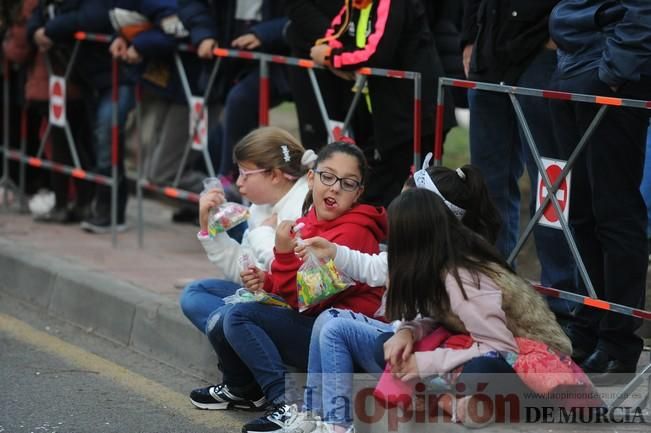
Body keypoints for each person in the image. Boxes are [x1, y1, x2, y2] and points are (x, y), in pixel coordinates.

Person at [290, 188, 572, 431]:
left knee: (480, 371)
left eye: (396, 237)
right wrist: (408, 332)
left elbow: (499, 347)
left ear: (414, 240)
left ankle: (457, 404)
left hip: (532, 368)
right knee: (386, 346)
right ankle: (337, 421)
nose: (392, 247)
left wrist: (426, 363)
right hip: (476, 347)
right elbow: (437, 317)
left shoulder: (463, 278)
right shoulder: (434, 265)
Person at [190, 141, 388, 433]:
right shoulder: (308, 220)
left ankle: (287, 403)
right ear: (312, 178)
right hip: (314, 323)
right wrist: (264, 279)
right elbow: (292, 289)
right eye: (328, 177)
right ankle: (242, 388)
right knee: (214, 303)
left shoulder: (354, 232)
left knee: (238, 316)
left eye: (347, 183)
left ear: (358, 193)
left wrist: (280, 256)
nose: (334, 188)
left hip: (338, 343)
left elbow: (306, 301)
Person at [548, 0, 651, 385]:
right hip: (573, 72)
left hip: (611, 77)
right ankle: (587, 325)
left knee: (615, 213)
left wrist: (612, 72)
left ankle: (618, 343)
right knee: (582, 213)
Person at [461, 0, 576, 326]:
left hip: (541, 51)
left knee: (551, 186)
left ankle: (563, 303)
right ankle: (491, 292)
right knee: (486, 185)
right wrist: (470, 36)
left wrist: (560, 30)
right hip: (489, 49)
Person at [309, 0, 451, 208]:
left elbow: (377, 54)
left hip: (416, 114)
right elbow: (332, 36)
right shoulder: (356, 3)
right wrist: (332, 53)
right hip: (384, 114)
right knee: (374, 193)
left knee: (410, 197)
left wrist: (332, 57)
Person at [180, 126, 313, 336]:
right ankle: (242, 336)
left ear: (275, 175)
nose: (238, 182)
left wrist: (262, 234)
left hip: (295, 311)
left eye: (245, 174)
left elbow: (291, 284)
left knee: (228, 316)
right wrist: (209, 229)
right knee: (195, 295)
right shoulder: (259, 207)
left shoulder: (305, 206)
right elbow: (242, 274)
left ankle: (248, 342)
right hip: (262, 299)